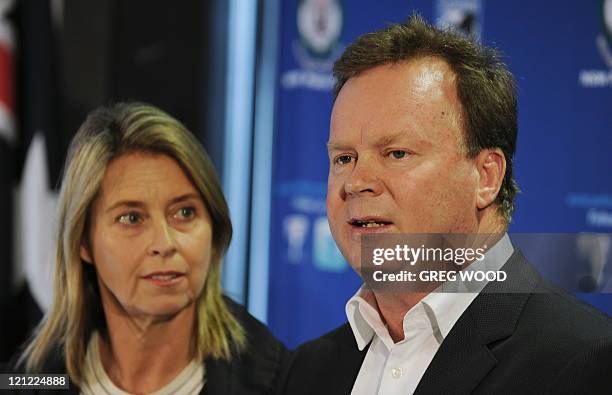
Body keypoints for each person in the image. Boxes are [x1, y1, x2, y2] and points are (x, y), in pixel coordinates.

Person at [281, 15, 612, 394]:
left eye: (397, 153)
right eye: (343, 158)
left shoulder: (583, 363)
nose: (356, 182)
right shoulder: (309, 370)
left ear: (486, 177)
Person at [7, 102, 287, 394]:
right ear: (83, 243)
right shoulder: (27, 382)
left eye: (185, 213)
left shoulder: (281, 383)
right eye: (131, 218)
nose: (164, 245)